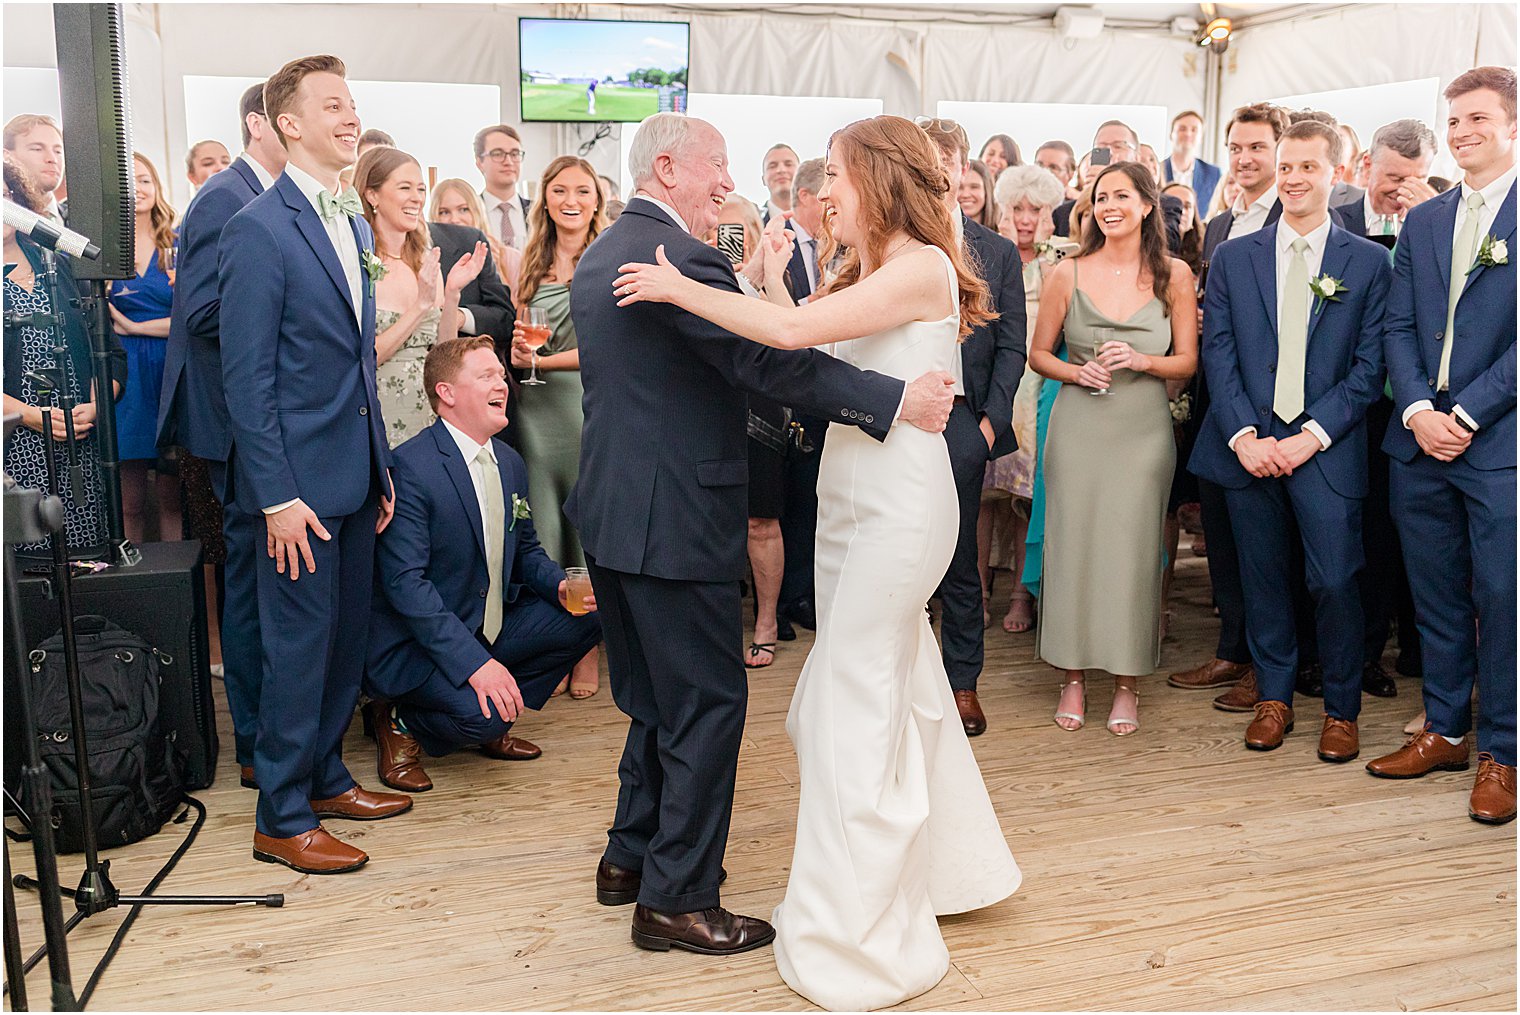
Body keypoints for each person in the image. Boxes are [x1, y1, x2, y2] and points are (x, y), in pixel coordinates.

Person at [605, 112, 1019, 1010]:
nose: (822, 191)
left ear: (876, 175)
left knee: (846, 705)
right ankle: (945, 869)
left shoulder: (924, 266)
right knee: (885, 689)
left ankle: (858, 932)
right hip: (850, 504)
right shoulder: (872, 267)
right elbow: (811, 337)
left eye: (832, 173)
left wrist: (681, 287)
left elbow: (788, 344)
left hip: (899, 510)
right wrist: (758, 282)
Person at [219, 54, 412, 875]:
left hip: (354, 476)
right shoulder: (257, 229)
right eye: (332, 104)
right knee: (297, 650)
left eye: (353, 103)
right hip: (294, 489)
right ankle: (282, 815)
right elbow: (246, 378)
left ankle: (327, 777)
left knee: (343, 644)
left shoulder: (351, 221)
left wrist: (381, 470)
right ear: (287, 123)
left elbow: (356, 365)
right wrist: (275, 497)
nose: (350, 115)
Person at [1190, 119, 1390, 758]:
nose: (1294, 178)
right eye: (1286, 166)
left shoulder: (1368, 261)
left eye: (1309, 166)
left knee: (1334, 580)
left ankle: (1340, 708)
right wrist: (1244, 432)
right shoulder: (1235, 256)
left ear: (1338, 173)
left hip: (1324, 450)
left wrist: (1315, 435)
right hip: (1249, 444)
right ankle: (1274, 698)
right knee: (1263, 578)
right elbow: (1217, 353)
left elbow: (1370, 365)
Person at [1366, 67, 1517, 825]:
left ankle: (1504, 753)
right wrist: (1420, 408)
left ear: (1512, 125)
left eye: (1477, 118)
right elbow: (1395, 324)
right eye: (1453, 120)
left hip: (1499, 444)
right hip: (1419, 439)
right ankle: (1447, 729)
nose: (1461, 132)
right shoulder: (1425, 220)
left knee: (1503, 597)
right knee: (1436, 598)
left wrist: (1471, 413)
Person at [364, 337, 604, 792]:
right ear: (447, 394)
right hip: (418, 646)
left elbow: (527, 551)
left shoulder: (510, 462)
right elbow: (405, 586)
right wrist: (476, 665)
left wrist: (556, 587)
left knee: (593, 614)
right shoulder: (411, 467)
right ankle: (398, 722)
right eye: (486, 375)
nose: (503, 384)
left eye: (502, 374)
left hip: (487, 624)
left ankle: (495, 714)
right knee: (480, 715)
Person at [1028, 161, 1198, 737]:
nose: (1109, 206)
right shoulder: (1066, 273)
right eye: (1101, 198)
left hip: (1143, 431)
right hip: (1079, 426)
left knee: (1133, 550)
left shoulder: (1174, 275)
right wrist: (1076, 376)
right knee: (1072, 544)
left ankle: (1127, 682)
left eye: (1121, 196)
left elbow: (1189, 362)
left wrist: (1145, 361)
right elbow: (1039, 354)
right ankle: (1071, 676)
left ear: (1148, 205)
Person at [158, 80, 287, 787]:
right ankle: (253, 742)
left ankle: (269, 734)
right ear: (257, 123)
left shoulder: (258, 193)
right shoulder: (225, 197)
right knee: (245, 579)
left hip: (249, 412)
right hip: (226, 421)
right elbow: (202, 309)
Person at [1170, 101, 1290, 706]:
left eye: (1257, 149)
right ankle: (1231, 650)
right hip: (1217, 401)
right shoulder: (1218, 225)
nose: (1244, 160)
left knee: (1263, 548)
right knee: (1219, 531)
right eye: (1236, 148)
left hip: (1270, 411)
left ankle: (1264, 669)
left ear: (1282, 153)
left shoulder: (1295, 221)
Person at [918, 117, 1027, 738]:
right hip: (900, 415)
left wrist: (989, 424)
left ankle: (963, 682)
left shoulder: (997, 251)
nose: (935, 173)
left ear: (963, 171)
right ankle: (909, 678)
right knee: (908, 551)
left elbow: (1011, 345)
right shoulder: (892, 245)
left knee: (961, 559)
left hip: (966, 419)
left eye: (944, 162)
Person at [1336, 118, 1440, 708]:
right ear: (1365, 168)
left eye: (1415, 178)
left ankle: (1384, 651)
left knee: (1392, 537)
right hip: (1350, 399)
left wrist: (1425, 222)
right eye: (1391, 176)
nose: (1399, 188)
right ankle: (1346, 651)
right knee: (1355, 532)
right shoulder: (1338, 221)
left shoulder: (1440, 224)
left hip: (1413, 403)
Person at [505, 154, 606, 698]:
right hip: (536, 412)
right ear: (544, 197)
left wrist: (540, 360)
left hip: (588, 406)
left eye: (582, 191)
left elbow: (609, 348)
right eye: (560, 190)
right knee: (545, 527)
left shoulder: (607, 259)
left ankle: (587, 646)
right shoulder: (528, 261)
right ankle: (557, 641)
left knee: (586, 524)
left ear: (597, 200)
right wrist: (523, 354)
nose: (571, 201)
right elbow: (523, 336)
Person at [3, 154, 124, 563]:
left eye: (6, 194)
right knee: (31, 575)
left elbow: (110, 349)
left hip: (80, 444)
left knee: (88, 565)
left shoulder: (58, 261)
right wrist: (31, 416)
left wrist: (97, 401)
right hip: (14, 447)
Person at [356, 145, 484, 448]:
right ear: (372, 195)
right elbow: (363, 359)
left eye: (421, 188)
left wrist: (451, 293)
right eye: (405, 188)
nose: (417, 198)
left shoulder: (423, 261)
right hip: (379, 414)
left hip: (431, 412)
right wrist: (420, 306)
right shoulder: (357, 263)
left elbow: (445, 352)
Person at [986, 165, 1065, 635]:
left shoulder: (1059, 262)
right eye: (1018, 208)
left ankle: (1021, 595)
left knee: (1024, 497)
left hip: (1039, 386)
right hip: (998, 382)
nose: (1026, 218)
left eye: (1035, 209)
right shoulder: (992, 256)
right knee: (982, 496)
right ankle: (974, 592)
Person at [110, 152, 182, 545]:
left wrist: (135, 325)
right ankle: (133, 583)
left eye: (145, 180)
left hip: (170, 370)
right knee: (130, 499)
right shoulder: (103, 250)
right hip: (126, 375)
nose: (137, 189)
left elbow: (189, 320)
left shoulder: (177, 244)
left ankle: (180, 594)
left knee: (173, 496)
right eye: (127, 182)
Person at [775, 159, 828, 642]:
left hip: (829, 393)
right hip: (785, 396)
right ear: (805, 198)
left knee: (817, 501)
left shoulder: (843, 247)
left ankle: (811, 592)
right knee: (789, 503)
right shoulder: (778, 243)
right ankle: (790, 597)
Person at [1054, 121, 1183, 252]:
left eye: (1118, 146)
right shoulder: (1065, 213)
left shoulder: (1166, 204)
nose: (1110, 153)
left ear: (1136, 157)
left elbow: (1166, 246)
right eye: (1101, 147)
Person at [428, 175, 522, 314]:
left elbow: (511, 315)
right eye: (444, 212)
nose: (454, 219)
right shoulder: (429, 260)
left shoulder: (510, 257)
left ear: (477, 211)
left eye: (464, 209)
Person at [1337, 119, 1440, 239]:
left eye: (1417, 180)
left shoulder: (1441, 228)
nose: (1404, 190)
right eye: (1396, 179)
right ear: (1367, 166)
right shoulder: (1335, 224)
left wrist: (1430, 228)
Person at [475, 124, 530, 250]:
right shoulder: (469, 212)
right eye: (498, 154)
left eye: (515, 154)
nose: (508, 162)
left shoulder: (537, 213)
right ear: (479, 162)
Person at [3, 114, 65, 222]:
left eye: (58, 151)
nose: (52, 159)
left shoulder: (81, 220)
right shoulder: (5, 222)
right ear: (7, 156)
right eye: (37, 149)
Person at [1164, 109, 1222, 213]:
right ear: (1171, 134)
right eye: (1182, 129)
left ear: (1201, 137)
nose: (1188, 134)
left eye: (1194, 130)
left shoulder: (1213, 173)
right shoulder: (1157, 170)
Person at [1163, 181, 1205, 273]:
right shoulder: (1145, 252)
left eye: (1187, 206)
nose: (1182, 211)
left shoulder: (1205, 254)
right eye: (1174, 206)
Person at [760, 142, 798, 222]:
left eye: (788, 164)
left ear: (801, 174)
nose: (781, 170)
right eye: (772, 166)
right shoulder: (752, 224)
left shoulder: (822, 219)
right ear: (763, 179)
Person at [959, 157, 997, 229]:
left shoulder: (1001, 236)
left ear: (987, 191)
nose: (965, 194)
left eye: (974, 187)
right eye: (959, 187)